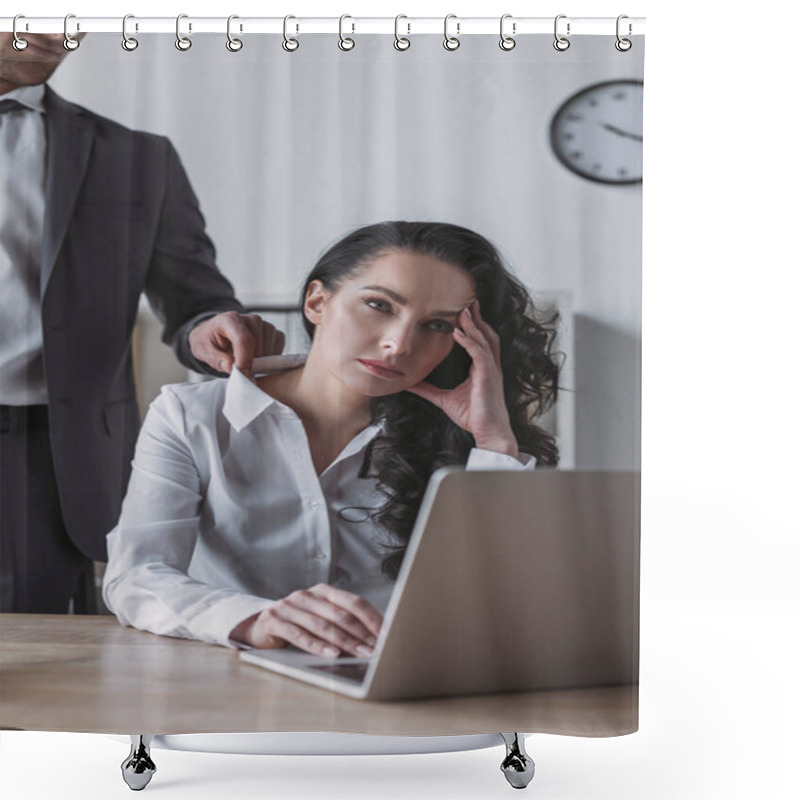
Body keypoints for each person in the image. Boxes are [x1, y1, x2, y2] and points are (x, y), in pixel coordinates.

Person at [103, 221, 561, 656]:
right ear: (317, 302)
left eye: (437, 325)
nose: (399, 345)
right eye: (380, 305)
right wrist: (257, 620)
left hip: (403, 692)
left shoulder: (464, 440)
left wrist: (494, 441)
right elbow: (137, 577)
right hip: (230, 681)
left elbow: (508, 604)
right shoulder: (192, 416)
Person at [0, 33, 283, 614]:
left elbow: (196, 301)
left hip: (47, 455)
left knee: (39, 660)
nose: (62, 34)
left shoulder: (135, 159)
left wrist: (209, 329)